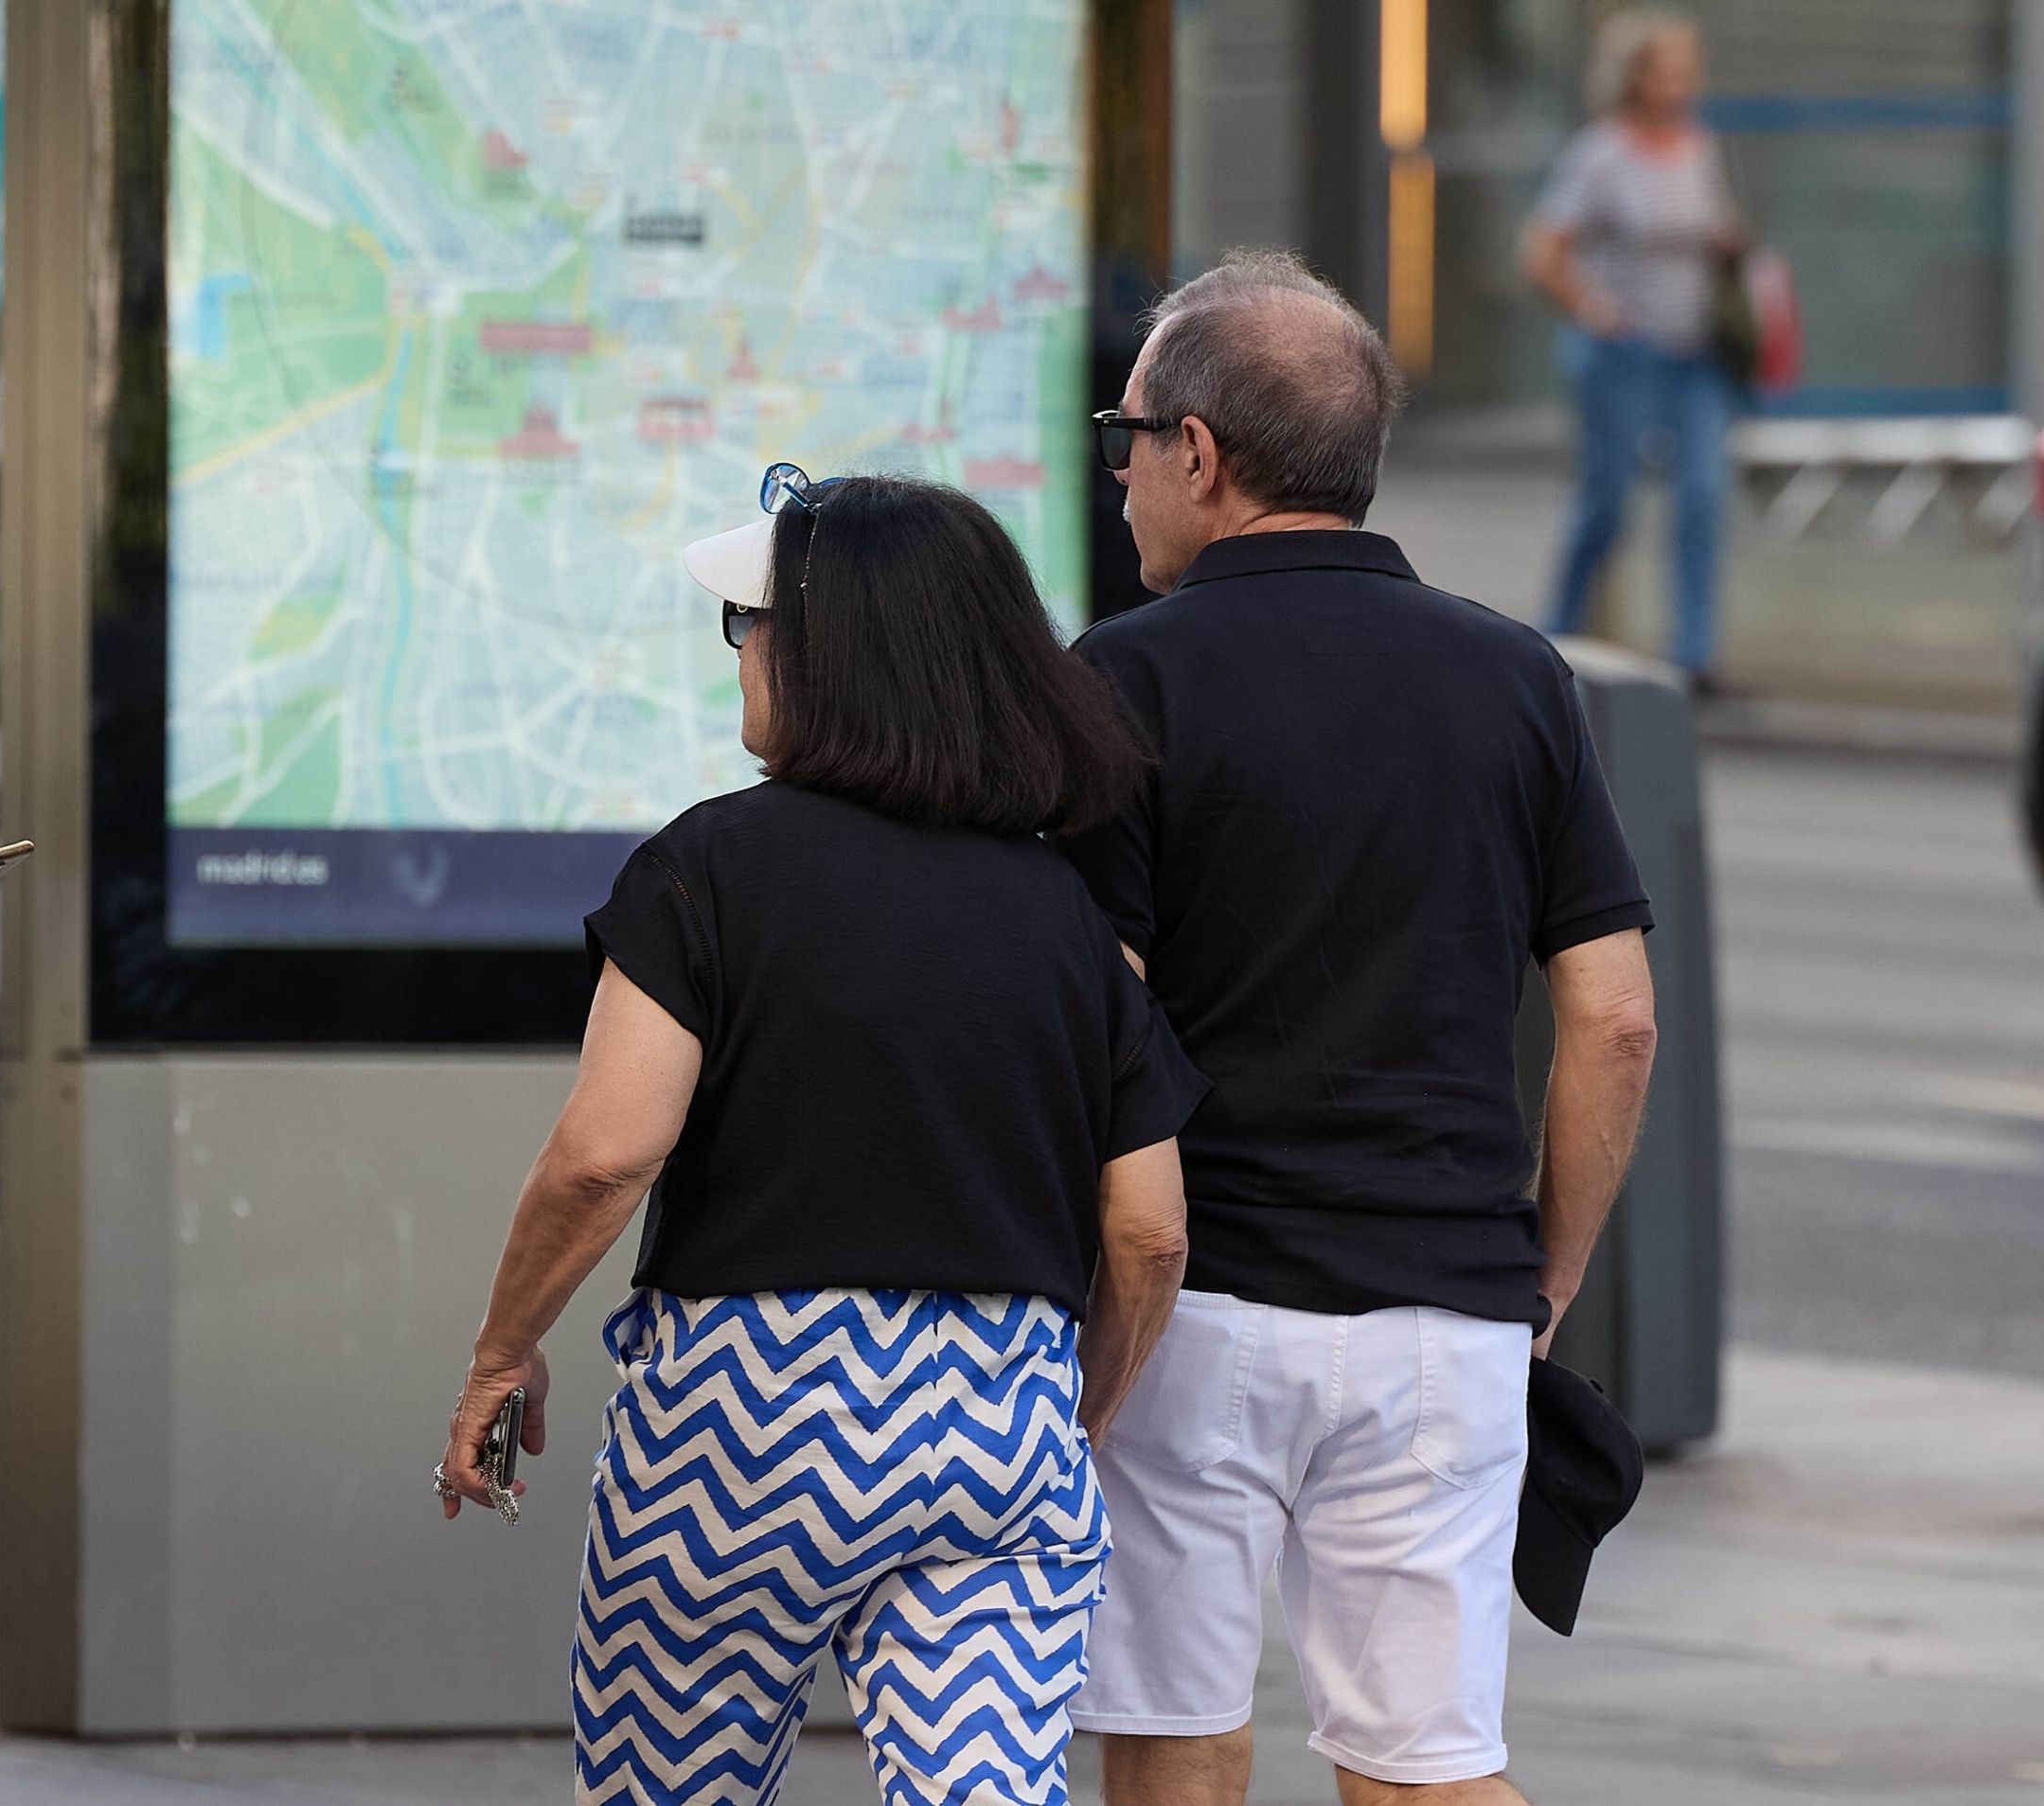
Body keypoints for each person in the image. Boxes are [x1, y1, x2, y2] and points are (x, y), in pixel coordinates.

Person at [435, 467, 1210, 1806]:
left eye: (751, 622)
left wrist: (504, 1354)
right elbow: (1149, 1232)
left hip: (743, 1424)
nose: (742, 652)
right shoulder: (1069, 922)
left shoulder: (710, 870)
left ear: (821, 653)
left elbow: (607, 1152)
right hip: (1002, 1423)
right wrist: (1066, 1412)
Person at [1062, 250, 1660, 1806]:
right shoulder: (1517, 677)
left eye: (1122, 434)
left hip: (1199, 1305)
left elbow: (1091, 1013)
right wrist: (1544, 1272)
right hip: (1444, 1314)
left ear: (1196, 451)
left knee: (1176, 1739)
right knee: (1426, 1764)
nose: (1117, 470)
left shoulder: (1122, 681)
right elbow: (1611, 1021)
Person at [1521, 9, 1741, 688]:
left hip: (1696, 354)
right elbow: (1542, 251)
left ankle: (1694, 658)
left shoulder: (1698, 147)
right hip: (1625, 355)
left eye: (1687, 69)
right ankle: (1549, 647)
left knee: (1703, 498)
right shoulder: (1602, 154)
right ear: (1635, 76)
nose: (1682, 83)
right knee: (1607, 502)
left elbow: (1715, 228)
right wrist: (1595, 308)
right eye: (1668, 69)